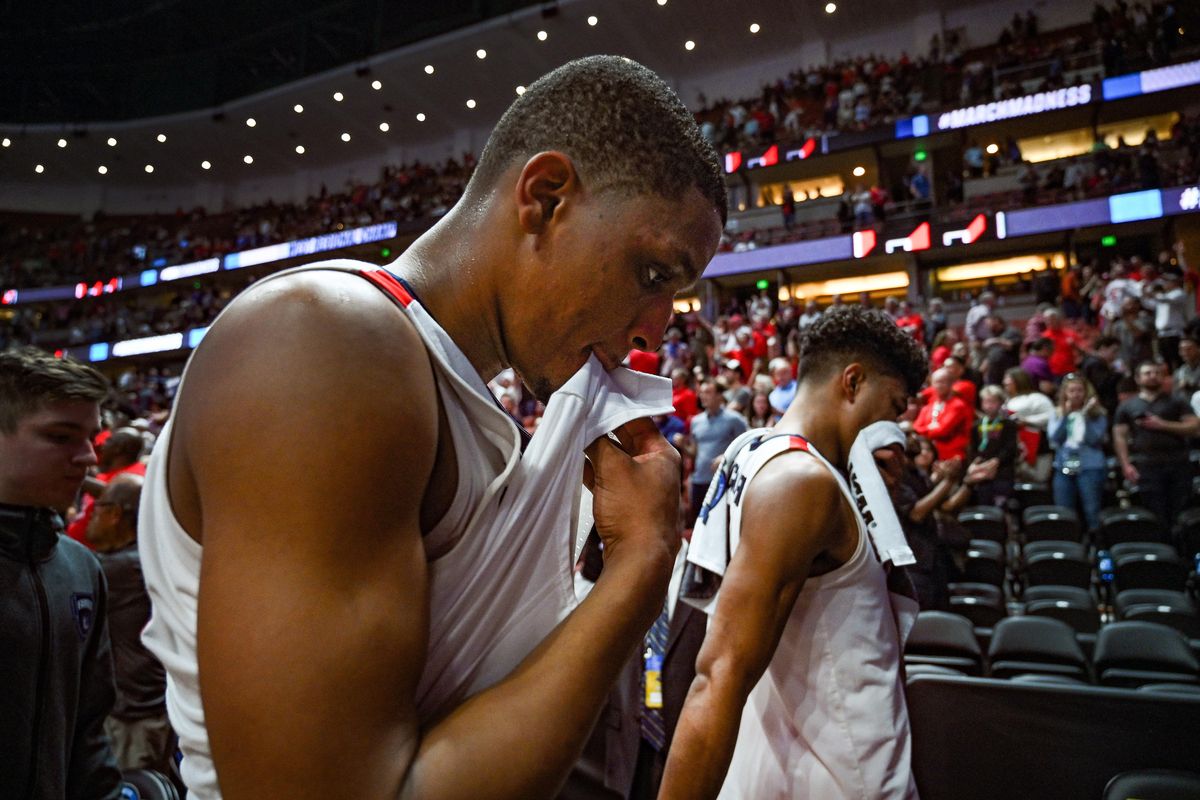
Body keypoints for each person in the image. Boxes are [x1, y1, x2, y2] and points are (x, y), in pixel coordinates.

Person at [138, 56, 727, 800]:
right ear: (546, 198)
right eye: (652, 274)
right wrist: (641, 565)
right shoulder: (324, 342)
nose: (656, 329)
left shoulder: (451, 397)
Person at [659, 306, 928, 800]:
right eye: (892, 405)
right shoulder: (802, 483)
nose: (893, 425)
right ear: (852, 382)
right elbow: (719, 674)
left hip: (783, 763)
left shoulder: (749, 451)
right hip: (842, 777)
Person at [0, 347, 123, 799]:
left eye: (91, 437)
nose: (89, 457)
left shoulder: (81, 568)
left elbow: (89, 731)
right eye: (61, 437)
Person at [86, 474, 176, 778]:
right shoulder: (143, 556)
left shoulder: (122, 568)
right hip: (140, 711)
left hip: (134, 718)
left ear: (113, 516)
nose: (89, 514)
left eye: (96, 507)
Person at [1114, 361, 1200, 529]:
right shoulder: (1128, 406)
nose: (1152, 376)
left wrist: (1162, 425)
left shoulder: (1177, 401)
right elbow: (1119, 436)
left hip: (1178, 463)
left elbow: (1194, 427)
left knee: (1180, 510)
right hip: (1146, 465)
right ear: (1138, 379)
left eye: (1156, 373)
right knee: (1154, 512)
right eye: (1147, 373)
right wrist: (1126, 464)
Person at [682, 380, 749, 529]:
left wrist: (725, 457)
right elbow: (695, 452)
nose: (703, 396)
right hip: (699, 480)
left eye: (708, 392)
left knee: (722, 526)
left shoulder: (735, 419)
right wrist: (684, 447)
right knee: (700, 525)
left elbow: (746, 446)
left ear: (719, 396)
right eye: (701, 393)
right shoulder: (696, 421)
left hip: (723, 480)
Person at [1048, 376, 1108, 533]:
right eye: (1072, 391)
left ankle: (1095, 546)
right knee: (1064, 510)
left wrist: (1085, 415)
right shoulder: (1057, 413)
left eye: (1080, 390)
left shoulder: (1098, 414)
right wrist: (1066, 416)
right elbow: (1055, 438)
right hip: (1065, 464)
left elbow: (1094, 439)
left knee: (1091, 510)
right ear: (1065, 393)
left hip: (1089, 465)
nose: (1076, 394)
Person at [967, 385, 1019, 509]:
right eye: (986, 401)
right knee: (983, 504)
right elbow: (973, 447)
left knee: (1001, 505)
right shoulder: (976, 425)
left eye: (993, 401)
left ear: (1000, 402)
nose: (989, 405)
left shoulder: (1008, 424)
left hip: (1002, 471)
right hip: (982, 471)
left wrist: (996, 461)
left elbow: (1011, 448)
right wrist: (976, 462)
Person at [1003, 367, 1056, 483]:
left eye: (1008, 378)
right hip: (1016, 447)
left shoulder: (1036, 398)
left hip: (1039, 446)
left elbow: (1052, 416)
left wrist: (1027, 420)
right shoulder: (1006, 401)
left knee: (1039, 478)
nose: (1005, 382)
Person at [914, 367, 974, 462]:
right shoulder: (929, 405)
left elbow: (942, 430)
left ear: (951, 384)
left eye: (942, 382)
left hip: (952, 457)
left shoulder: (958, 405)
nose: (939, 386)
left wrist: (925, 429)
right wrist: (930, 428)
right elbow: (916, 427)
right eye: (936, 382)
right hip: (932, 456)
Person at [1080, 335, 1124, 417]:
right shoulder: (1095, 364)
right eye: (1114, 351)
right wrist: (1118, 373)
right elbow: (1102, 385)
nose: (1116, 355)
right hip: (1101, 404)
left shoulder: (1096, 362)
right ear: (1103, 348)